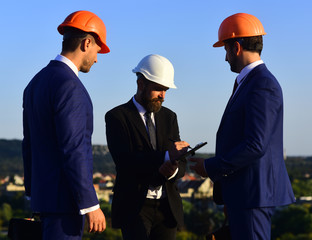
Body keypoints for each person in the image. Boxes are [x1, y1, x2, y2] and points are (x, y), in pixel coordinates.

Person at [190, 13, 295, 239]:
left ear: (236, 47)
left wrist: (211, 167)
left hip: (252, 195)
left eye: (226, 50)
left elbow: (256, 145)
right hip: (243, 194)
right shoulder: (250, 82)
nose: (225, 58)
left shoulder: (262, 84)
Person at [22, 10, 110, 240]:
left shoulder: (36, 82)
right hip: (65, 206)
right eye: (97, 51)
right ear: (87, 43)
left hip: (44, 201)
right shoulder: (70, 87)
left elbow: (28, 144)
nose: (97, 59)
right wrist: (90, 204)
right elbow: (74, 149)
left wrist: (33, 193)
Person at [105, 54, 189, 240]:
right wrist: (166, 157)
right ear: (141, 84)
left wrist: (173, 171)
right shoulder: (117, 117)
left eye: (166, 90)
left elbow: (181, 162)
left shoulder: (169, 117)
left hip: (167, 209)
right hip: (135, 207)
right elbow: (125, 161)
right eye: (158, 89)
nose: (163, 96)